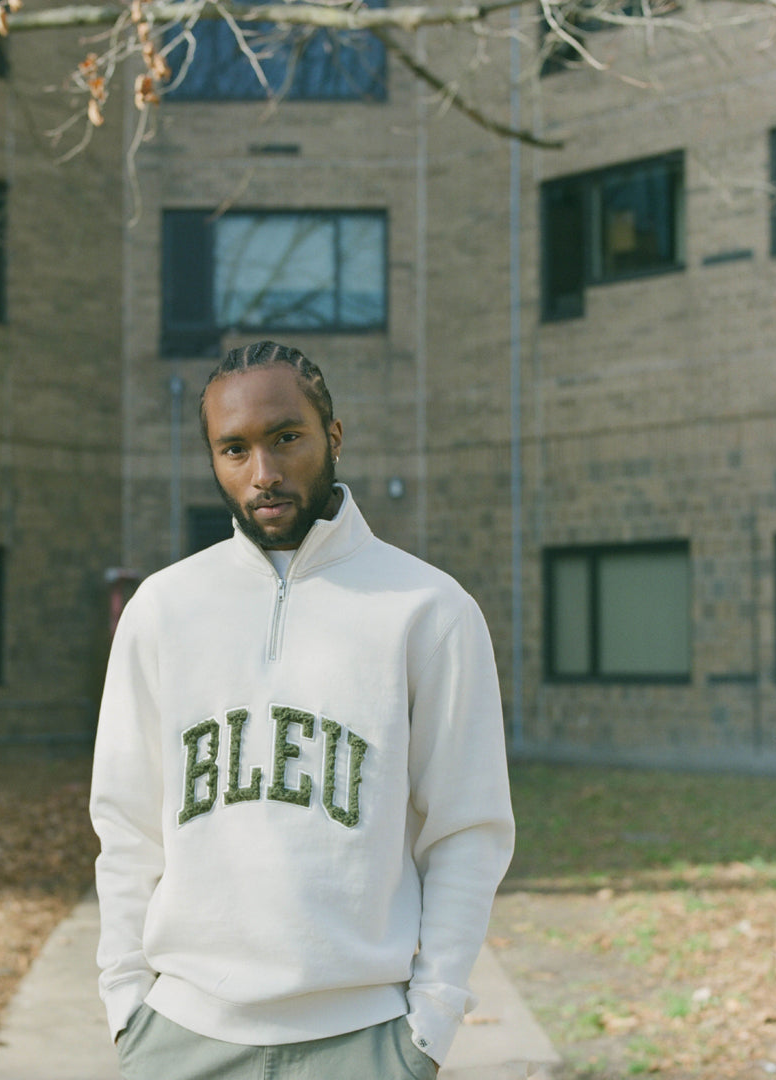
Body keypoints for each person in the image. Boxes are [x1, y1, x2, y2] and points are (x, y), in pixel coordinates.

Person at [90, 340, 514, 1080]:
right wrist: (128, 1004)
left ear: (334, 437)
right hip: (180, 1037)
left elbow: (467, 831)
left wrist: (429, 1026)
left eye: (286, 437)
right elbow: (125, 825)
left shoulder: (429, 610)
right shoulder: (164, 609)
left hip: (365, 1042)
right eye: (235, 449)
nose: (264, 473)